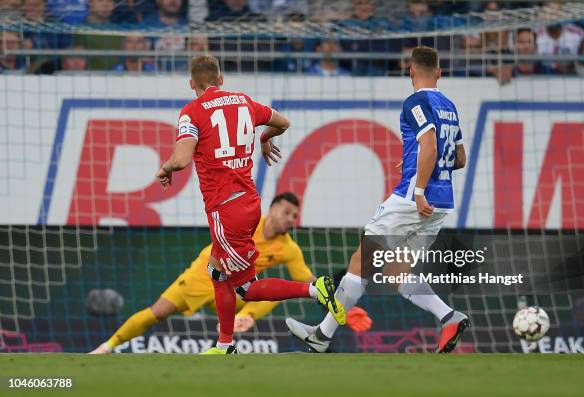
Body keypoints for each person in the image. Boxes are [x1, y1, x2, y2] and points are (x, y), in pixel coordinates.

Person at [155, 55, 345, 354]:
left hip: (224, 209)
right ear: (221, 80)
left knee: (245, 288)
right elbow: (283, 122)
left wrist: (165, 168)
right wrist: (264, 138)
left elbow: (180, 160)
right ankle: (225, 344)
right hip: (248, 203)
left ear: (192, 83)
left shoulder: (191, 112)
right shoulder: (244, 101)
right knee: (217, 273)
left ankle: (315, 289)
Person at [286, 46, 469, 354]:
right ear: (439, 72)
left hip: (414, 199)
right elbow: (459, 157)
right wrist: (416, 164)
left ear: (411, 72)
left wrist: (420, 186)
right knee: (396, 273)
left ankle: (322, 335)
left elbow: (430, 147)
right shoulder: (449, 106)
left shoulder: (416, 101)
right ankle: (449, 316)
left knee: (361, 261)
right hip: (442, 203)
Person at [90, 192, 369, 353]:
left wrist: (339, 305)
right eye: (286, 212)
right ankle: (108, 345)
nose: (290, 219)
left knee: (268, 293)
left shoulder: (289, 248)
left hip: (238, 289)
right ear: (271, 209)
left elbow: (308, 282)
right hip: (204, 276)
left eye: (294, 216)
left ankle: (239, 324)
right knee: (157, 312)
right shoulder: (248, 223)